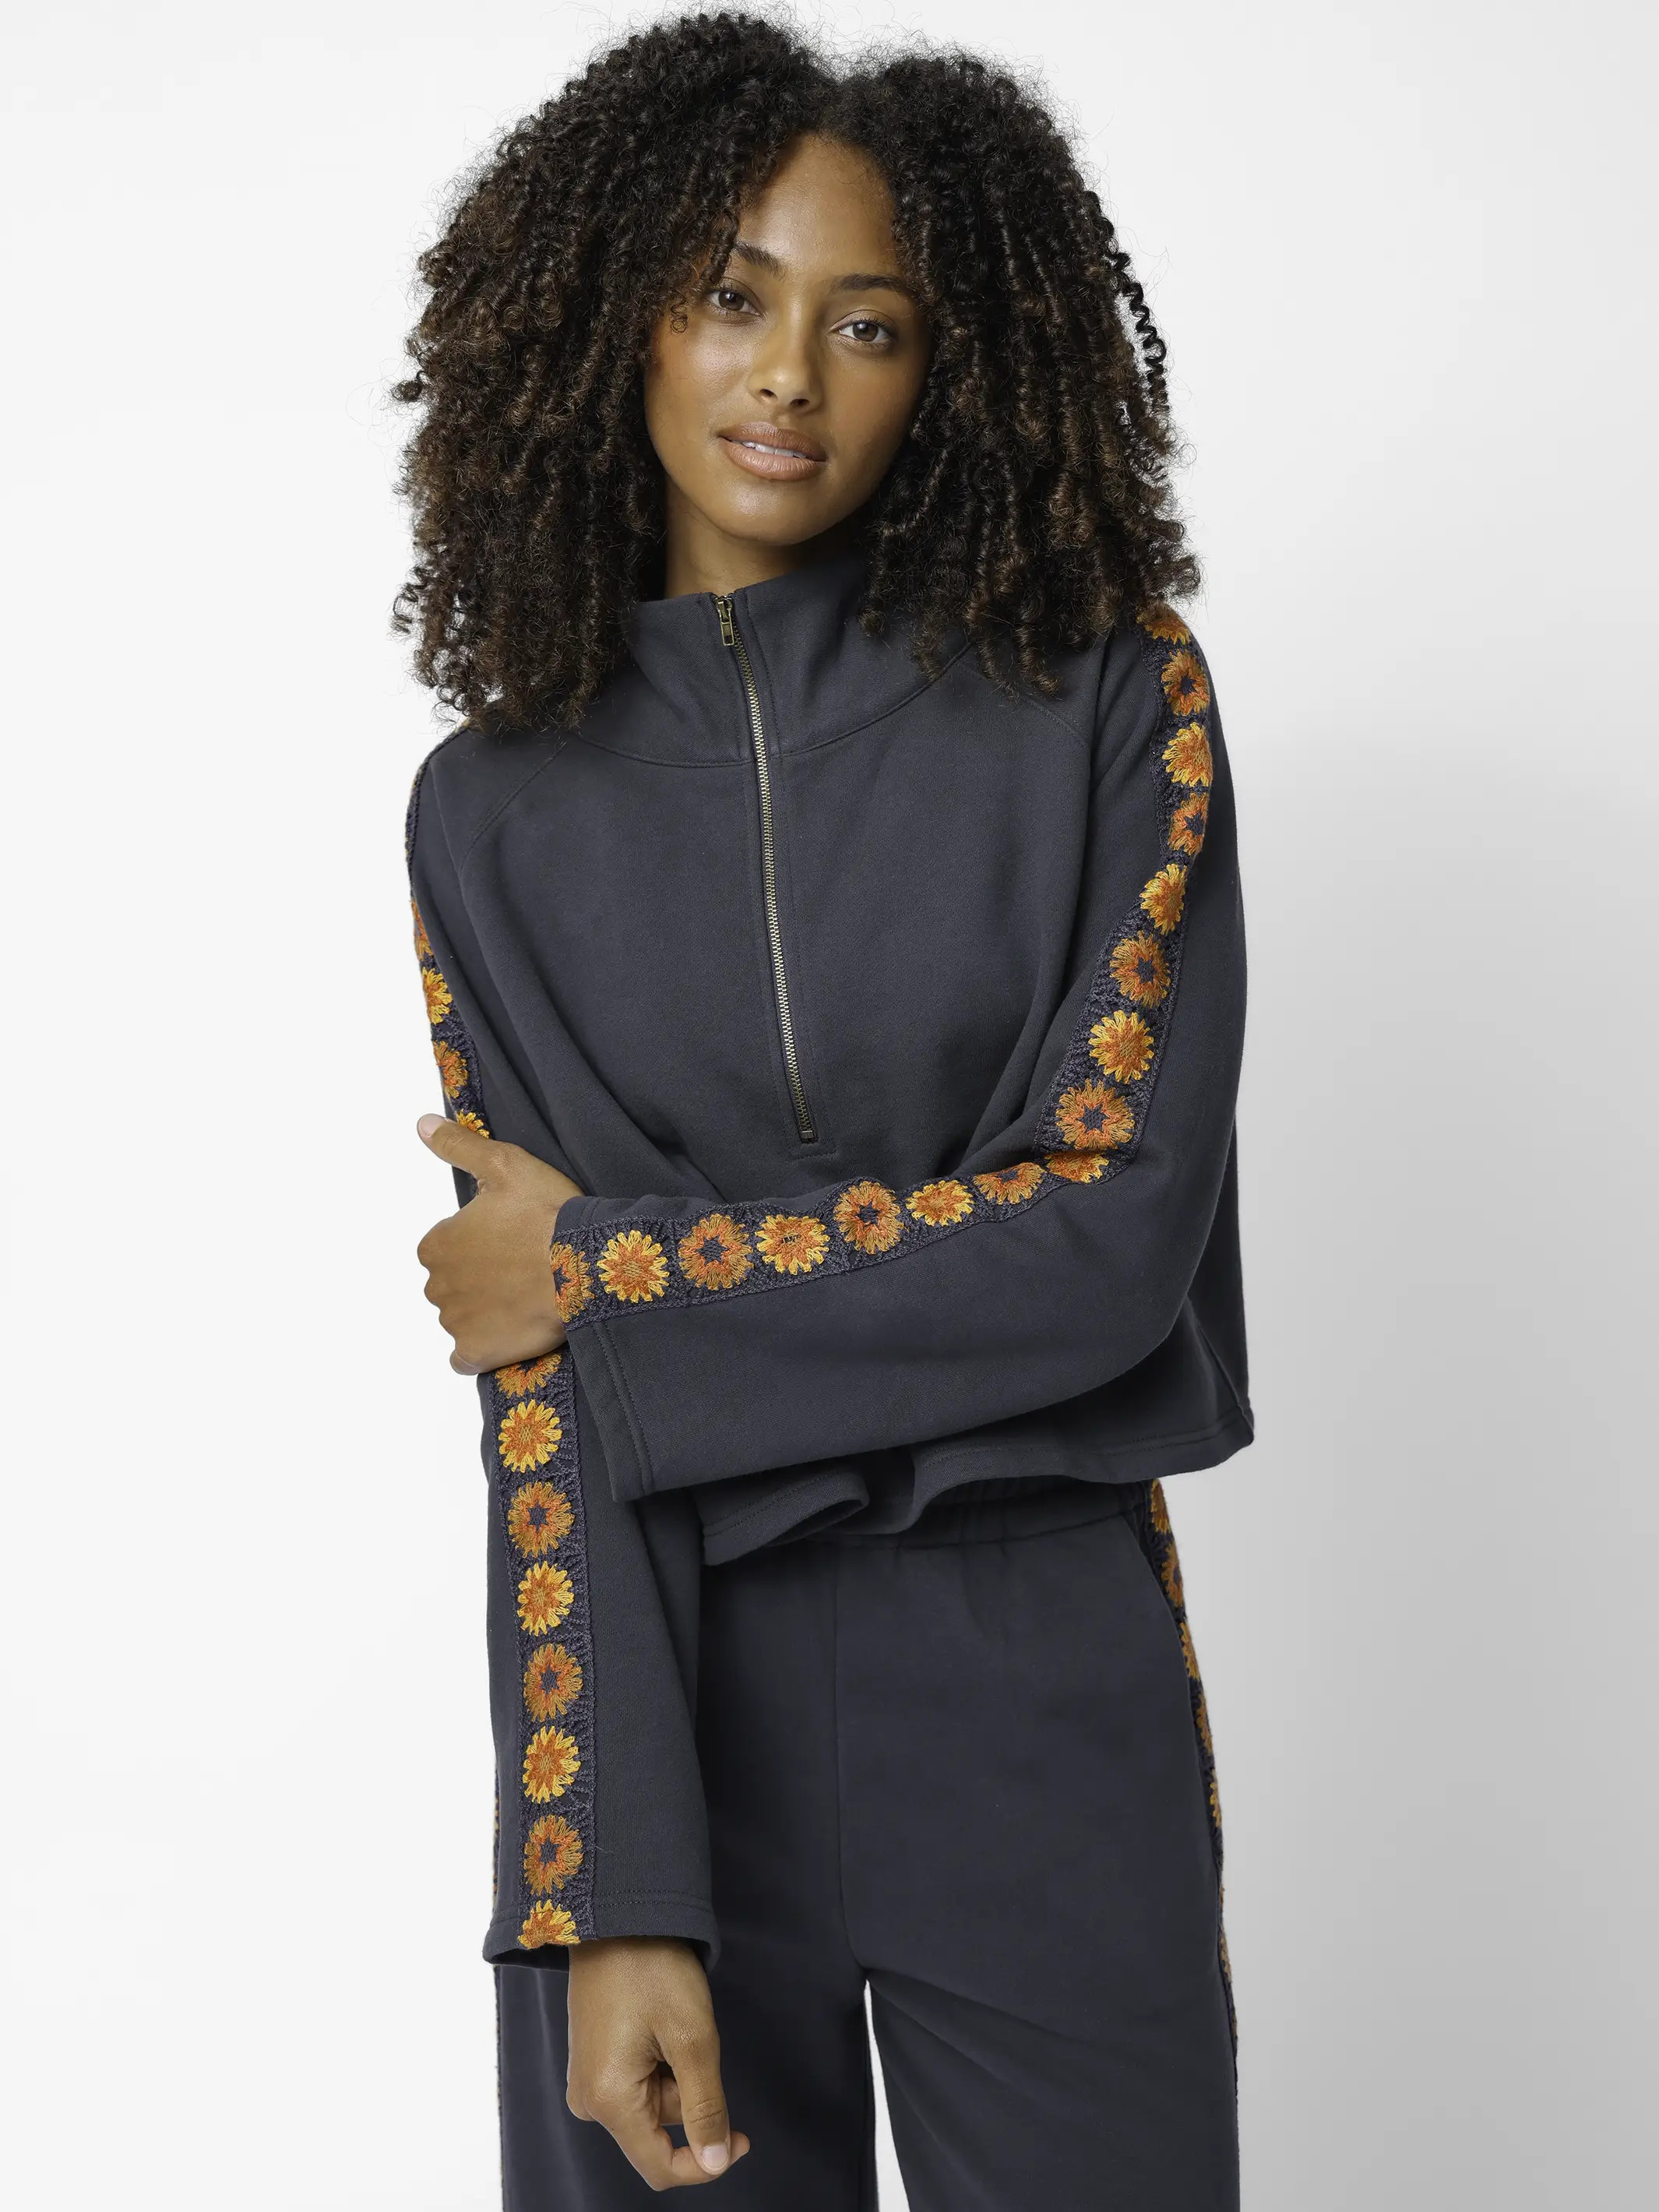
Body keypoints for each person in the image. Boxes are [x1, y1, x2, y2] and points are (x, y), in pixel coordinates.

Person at [396, 15, 1249, 2207]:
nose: (788, 375)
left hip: (1036, 1667)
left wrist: (603, 1270)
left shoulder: (1107, 697)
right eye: (729, 296)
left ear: (948, 370)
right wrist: (602, 1888)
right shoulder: (493, 812)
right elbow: (538, 1398)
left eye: (868, 324)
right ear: (616, 321)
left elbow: (1105, 1239)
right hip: (675, 1699)